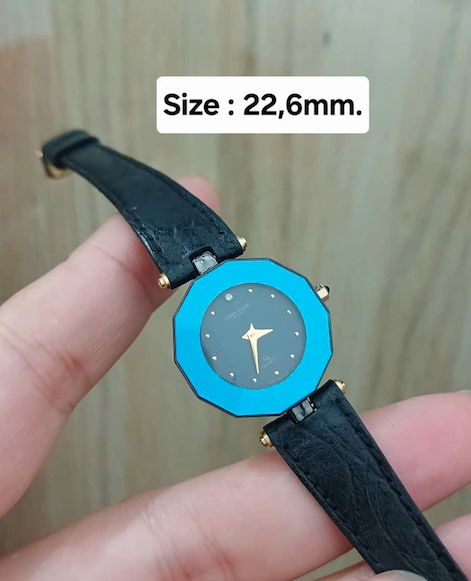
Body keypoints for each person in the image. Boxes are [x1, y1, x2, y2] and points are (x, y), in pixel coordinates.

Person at [0, 176, 468, 581]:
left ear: (312, 297)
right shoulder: (251, 308)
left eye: (255, 330)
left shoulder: (235, 312)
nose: (250, 333)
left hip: (311, 409)